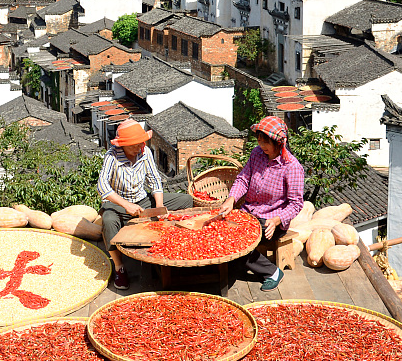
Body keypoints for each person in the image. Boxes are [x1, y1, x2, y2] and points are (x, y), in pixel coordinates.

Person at [98, 119, 193, 291]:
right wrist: (126, 205)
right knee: (109, 220)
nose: (139, 147)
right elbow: (102, 187)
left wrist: (160, 206)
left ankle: (176, 241)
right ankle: (119, 267)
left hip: (142, 201)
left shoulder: (145, 152)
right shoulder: (112, 156)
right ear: (124, 145)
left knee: (186, 200)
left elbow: (155, 180)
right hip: (119, 204)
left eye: (141, 143)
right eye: (135, 144)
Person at [216, 116, 304, 291]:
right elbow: (243, 179)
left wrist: (277, 220)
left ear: (279, 143)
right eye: (259, 141)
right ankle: (236, 264)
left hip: (271, 221)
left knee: (239, 241)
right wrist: (231, 199)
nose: (261, 146)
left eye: (266, 142)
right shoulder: (257, 154)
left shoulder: (291, 167)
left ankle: (272, 272)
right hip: (248, 212)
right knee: (218, 230)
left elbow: (296, 204)